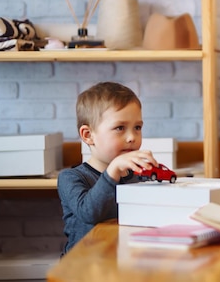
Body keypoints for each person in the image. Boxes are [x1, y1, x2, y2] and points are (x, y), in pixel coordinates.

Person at [57, 82, 158, 254]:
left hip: (125, 259)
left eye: (137, 128)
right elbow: (89, 213)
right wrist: (114, 170)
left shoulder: (139, 176)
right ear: (88, 136)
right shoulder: (71, 177)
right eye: (120, 128)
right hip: (84, 267)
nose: (132, 137)